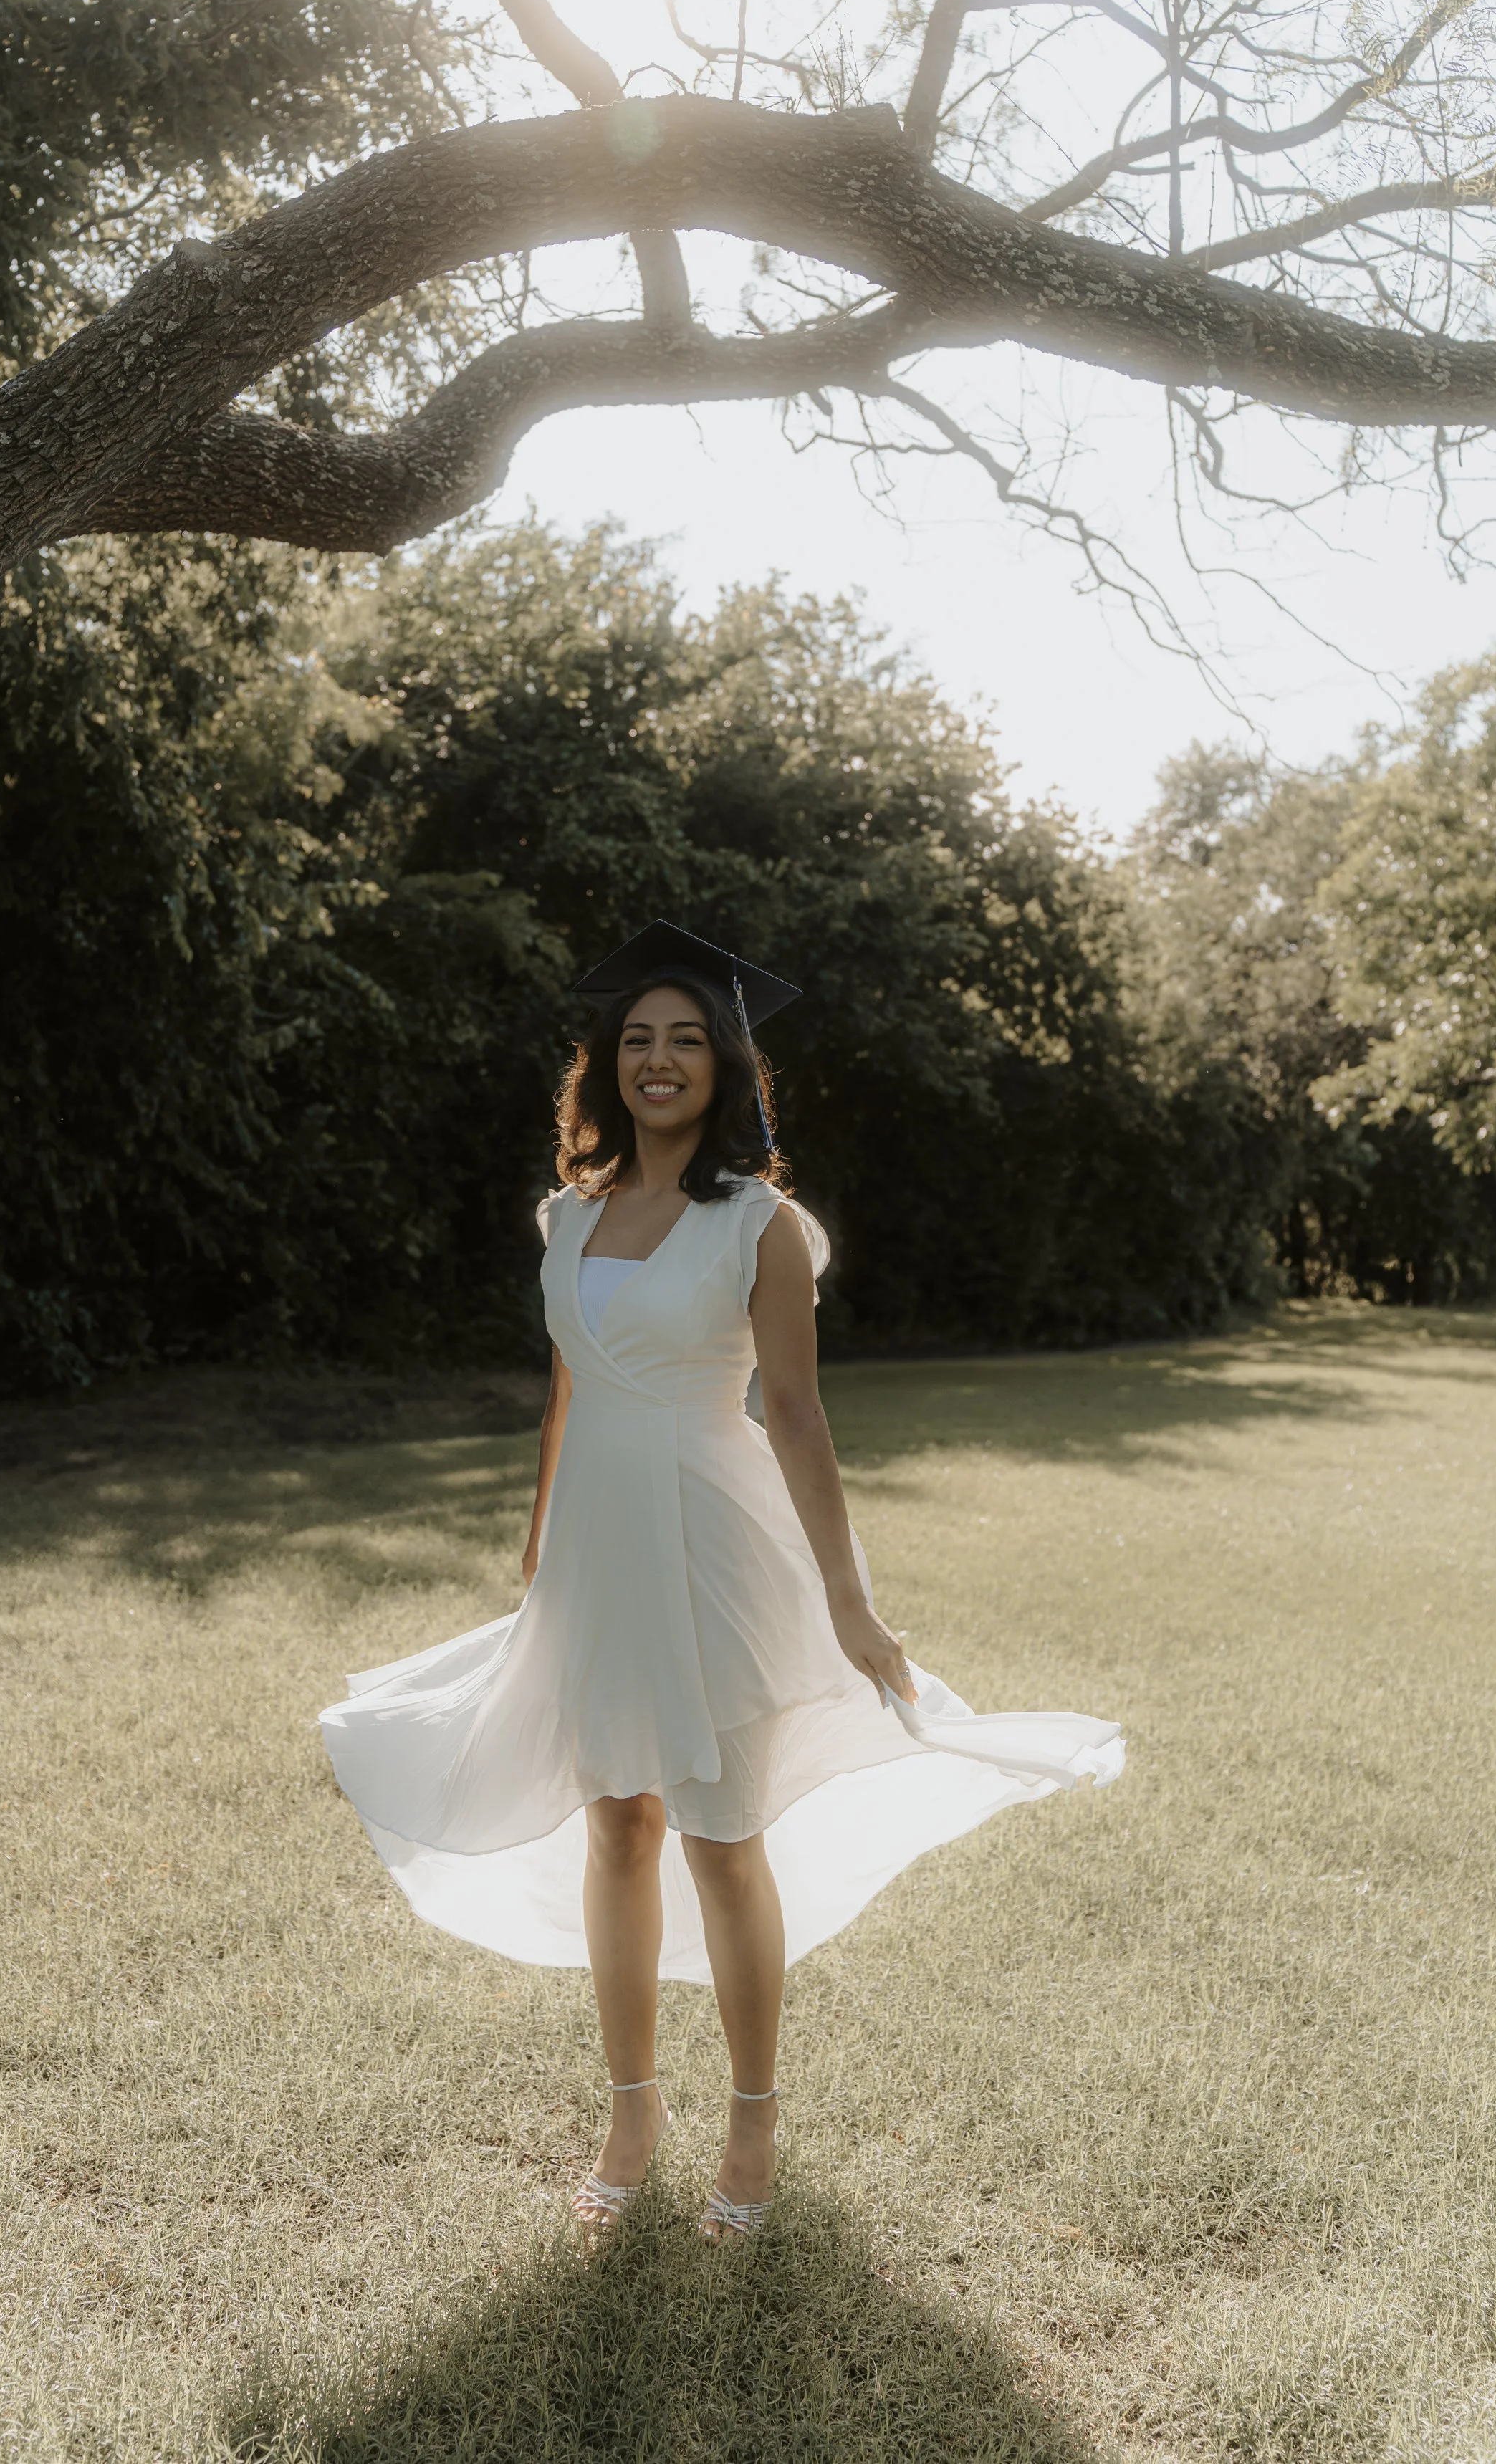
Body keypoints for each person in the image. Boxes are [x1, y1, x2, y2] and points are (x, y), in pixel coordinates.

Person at [320, 923, 1123, 2245]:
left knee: (720, 1835)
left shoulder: (761, 1226)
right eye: (638, 1038)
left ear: (727, 1066)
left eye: (686, 1039)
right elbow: (568, 1389)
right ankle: (631, 2111)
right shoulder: (568, 1215)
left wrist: (851, 1600)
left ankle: (751, 2118)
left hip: (716, 1540)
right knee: (615, 1825)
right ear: (607, 1065)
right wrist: (538, 1552)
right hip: (595, 1555)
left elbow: (796, 1414)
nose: (658, 1059)